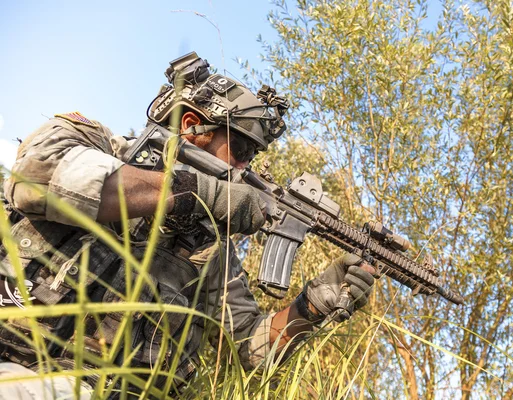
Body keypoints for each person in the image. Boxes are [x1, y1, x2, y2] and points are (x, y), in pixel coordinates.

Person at [0, 52, 377, 398]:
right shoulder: (95, 143)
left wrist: (311, 306)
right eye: (241, 151)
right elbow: (36, 178)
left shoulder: (211, 253)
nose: (244, 170)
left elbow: (246, 350)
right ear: (192, 126)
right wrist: (200, 192)